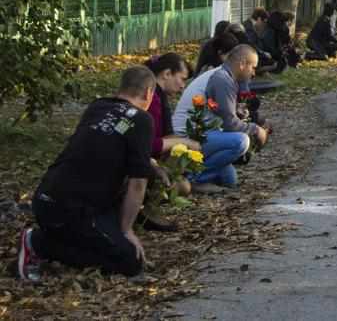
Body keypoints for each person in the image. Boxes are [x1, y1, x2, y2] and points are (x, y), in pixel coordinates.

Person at [16, 67, 159, 282]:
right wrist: (126, 230)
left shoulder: (98, 106)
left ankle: (63, 237)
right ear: (149, 93)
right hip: (72, 209)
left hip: (45, 199)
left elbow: (106, 139)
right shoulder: (142, 119)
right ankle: (37, 243)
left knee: (108, 235)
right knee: (130, 261)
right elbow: (138, 183)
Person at [172, 45, 269, 191]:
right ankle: (193, 179)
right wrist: (256, 130)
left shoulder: (222, 75)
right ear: (242, 64)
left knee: (230, 179)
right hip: (188, 137)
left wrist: (236, 110)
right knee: (241, 141)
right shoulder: (222, 80)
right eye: (253, 67)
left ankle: (196, 172)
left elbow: (219, 110)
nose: (254, 73)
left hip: (201, 133)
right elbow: (230, 124)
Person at [141, 53, 201, 231]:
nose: (183, 86)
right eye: (182, 79)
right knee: (182, 186)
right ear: (166, 74)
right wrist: (183, 143)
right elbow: (148, 143)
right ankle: (143, 208)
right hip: (141, 160)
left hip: (149, 156)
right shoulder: (151, 100)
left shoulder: (159, 96)